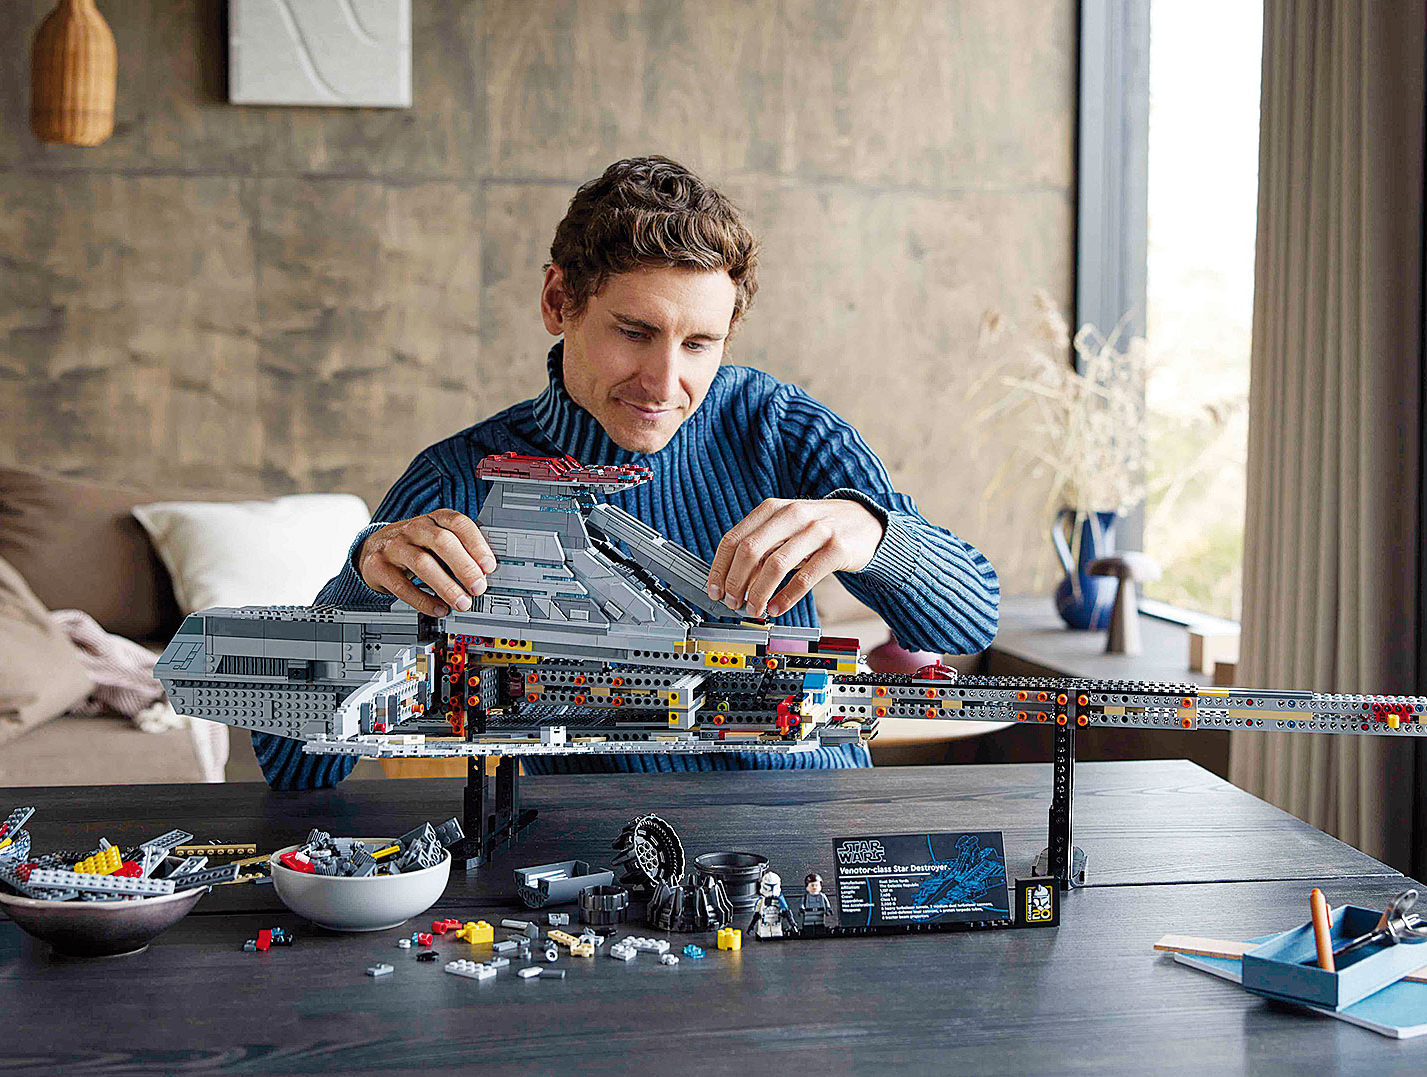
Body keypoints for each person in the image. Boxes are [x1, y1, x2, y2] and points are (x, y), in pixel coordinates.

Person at [255, 155, 1001, 789]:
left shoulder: (780, 427)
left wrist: (874, 534)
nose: (664, 383)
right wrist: (363, 577)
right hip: (599, 868)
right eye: (635, 332)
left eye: (700, 344)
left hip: (812, 839)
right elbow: (291, 767)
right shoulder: (463, 478)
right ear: (559, 302)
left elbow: (969, 623)